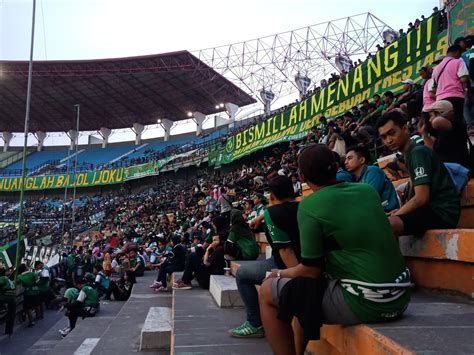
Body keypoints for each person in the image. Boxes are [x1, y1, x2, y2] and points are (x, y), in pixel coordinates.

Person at [258, 144, 411, 355]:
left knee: (268, 291)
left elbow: (311, 270)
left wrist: (278, 273)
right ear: (337, 165)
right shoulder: (366, 190)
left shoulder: (310, 205)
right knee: (302, 289)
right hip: (402, 294)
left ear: (302, 176)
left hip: (369, 301)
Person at [230, 175, 301, 338]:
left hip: (285, 265)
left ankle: (255, 323)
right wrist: (260, 217)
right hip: (303, 261)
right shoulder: (302, 206)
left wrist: (297, 277)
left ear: (272, 196)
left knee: (242, 274)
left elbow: (286, 251)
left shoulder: (272, 214)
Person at [376, 111, 460, 236]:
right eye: (383, 137)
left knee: (388, 224)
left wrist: (397, 214)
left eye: (392, 133)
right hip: (431, 210)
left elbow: (421, 198)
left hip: (442, 211)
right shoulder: (410, 154)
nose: (388, 140)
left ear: (404, 128)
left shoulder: (417, 153)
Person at [344, 146, 399, 212]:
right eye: (346, 159)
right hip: (375, 214)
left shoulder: (373, 171)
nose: (345, 162)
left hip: (389, 211)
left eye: (349, 158)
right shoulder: (357, 179)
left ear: (362, 160)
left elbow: (368, 198)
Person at [418, 100, 471, 168]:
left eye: (431, 116)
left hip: (461, 169)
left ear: (441, 113)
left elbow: (436, 121)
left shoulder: (456, 125)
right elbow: (434, 150)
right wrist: (424, 134)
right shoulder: (441, 132)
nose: (429, 120)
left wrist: (440, 116)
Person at [431, 44, 470, 123]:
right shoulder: (458, 61)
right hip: (455, 96)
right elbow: (463, 79)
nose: (460, 56)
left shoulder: (435, 69)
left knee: (446, 123)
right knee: (457, 122)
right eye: (460, 54)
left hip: (440, 99)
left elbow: (433, 88)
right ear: (457, 52)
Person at [0, 268, 15, 335]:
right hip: (12, 297)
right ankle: (9, 330)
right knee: (11, 314)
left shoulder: (2, 278)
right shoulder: (8, 279)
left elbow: (1, 283)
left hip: (5, 297)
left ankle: (2, 308)